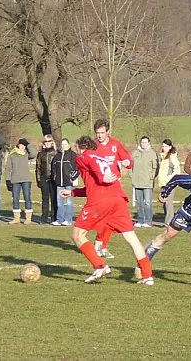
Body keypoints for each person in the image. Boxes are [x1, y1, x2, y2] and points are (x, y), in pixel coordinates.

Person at [60, 136, 154, 285]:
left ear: (79, 147)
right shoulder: (103, 157)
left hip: (101, 201)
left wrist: (103, 177)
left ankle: (100, 266)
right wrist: (72, 192)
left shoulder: (84, 156)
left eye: (76, 148)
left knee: (78, 234)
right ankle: (147, 275)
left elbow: (94, 168)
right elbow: (93, 186)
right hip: (118, 199)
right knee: (131, 238)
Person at [92, 118, 133, 259]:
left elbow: (128, 159)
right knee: (106, 217)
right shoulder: (93, 146)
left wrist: (127, 162)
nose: (100, 136)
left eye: (102, 133)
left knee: (111, 217)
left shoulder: (116, 144)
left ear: (108, 132)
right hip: (100, 187)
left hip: (114, 187)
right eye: (98, 133)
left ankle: (101, 245)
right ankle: (99, 244)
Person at [6, 138, 38, 225]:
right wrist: (8, 180)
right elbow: (8, 168)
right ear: (18, 145)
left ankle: (28, 218)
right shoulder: (12, 155)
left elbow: (34, 154)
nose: (22, 147)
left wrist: (28, 144)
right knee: (15, 198)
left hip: (26, 179)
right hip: (15, 180)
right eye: (21, 145)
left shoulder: (27, 154)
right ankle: (16, 218)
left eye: (24, 145)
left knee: (27, 197)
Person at [131, 136, 159, 228]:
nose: (144, 144)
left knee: (147, 202)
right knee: (139, 202)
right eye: (142, 142)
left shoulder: (152, 153)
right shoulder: (135, 153)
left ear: (149, 143)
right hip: (137, 181)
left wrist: (151, 177)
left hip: (147, 182)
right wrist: (132, 175)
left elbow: (155, 167)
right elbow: (130, 165)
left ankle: (148, 220)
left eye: (145, 142)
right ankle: (140, 219)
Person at [51, 138, 78, 226]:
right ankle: (59, 219)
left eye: (65, 144)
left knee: (69, 202)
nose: (63, 146)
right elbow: (53, 168)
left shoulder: (73, 155)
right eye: (62, 144)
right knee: (60, 202)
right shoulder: (57, 156)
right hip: (59, 182)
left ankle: (68, 219)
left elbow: (77, 168)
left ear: (68, 145)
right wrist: (55, 177)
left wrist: (72, 178)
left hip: (69, 182)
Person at [158, 139, 181, 226]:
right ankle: (167, 221)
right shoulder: (163, 157)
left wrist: (170, 178)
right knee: (164, 202)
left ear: (170, 147)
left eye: (166, 146)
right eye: (163, 146)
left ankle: (169, 222)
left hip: (170, 183)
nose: (164, 148)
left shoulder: (172, 157)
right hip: (163, 183)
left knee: (168, 202)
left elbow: (177, 169)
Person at [36, 134, 58, 223]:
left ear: (52, 142)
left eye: (49, 141)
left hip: (53, 179)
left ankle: (54, 217)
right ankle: (44, 217)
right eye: (46, 141)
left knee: (54, 198)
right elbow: (38, 167)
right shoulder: (41, 154)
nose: (47, 143)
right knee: (45, 199)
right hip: (44, 178)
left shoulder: (56, 153)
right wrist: (38, 180)